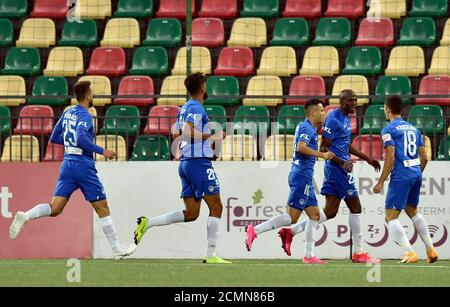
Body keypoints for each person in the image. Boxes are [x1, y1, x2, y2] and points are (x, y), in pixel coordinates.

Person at [9, 81, 136, 259]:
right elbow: (81, 138)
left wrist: (71, 143)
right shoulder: (85, 116)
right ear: (88, 96)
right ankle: (116, 249)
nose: (93, 96)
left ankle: (26, 216)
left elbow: (54, 137)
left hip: (67, 164)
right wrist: (102, 151)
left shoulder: (68, 113)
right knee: (102, 207)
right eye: (92, 93)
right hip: (83, 165)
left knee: (55, 208)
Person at [132, 73, 231, 264]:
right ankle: (210, 256)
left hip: (186, 162)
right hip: (197, 163)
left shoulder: (184, 108)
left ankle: (148, 223)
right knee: (217, 206)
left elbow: (178, 133)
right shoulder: (195, 106)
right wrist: (211, 137)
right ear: (202, 87)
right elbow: (186, 132)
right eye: (205, 84)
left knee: (192, 214)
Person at [279, 90, 381, 263]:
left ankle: (292, 231)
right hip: (337, 170)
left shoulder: (346, 119)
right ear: (342, 102)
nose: (355, 103)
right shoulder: (333, 119)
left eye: (356, 100)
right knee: (355, 207)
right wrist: (343, 163)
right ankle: (358, 252)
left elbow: (344, 144)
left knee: (331, 211)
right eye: (351, 100)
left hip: (340, 168)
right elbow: (325, 147)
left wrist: (367, 159)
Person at [245, 99, 334, 264]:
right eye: (322, 111)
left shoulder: (306, 126)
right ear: (313, 113)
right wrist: (323, 155)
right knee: (292, 218)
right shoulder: (307, 128)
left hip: (303, 175)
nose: (324, 113)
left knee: (314, 215)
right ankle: (254, 230)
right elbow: (301, 147)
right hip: (301, 175)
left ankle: (309, 255)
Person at [373, 95, 438, 263]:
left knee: (390, 217)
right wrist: (415, 173)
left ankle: (409, 252)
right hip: (416, 173)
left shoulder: (389, 130)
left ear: (387, 109)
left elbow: (391, 156)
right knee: (412, 211)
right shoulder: (414, 129)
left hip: (401, 176)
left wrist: (381, 181)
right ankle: (431, 250)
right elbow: (424, 157)